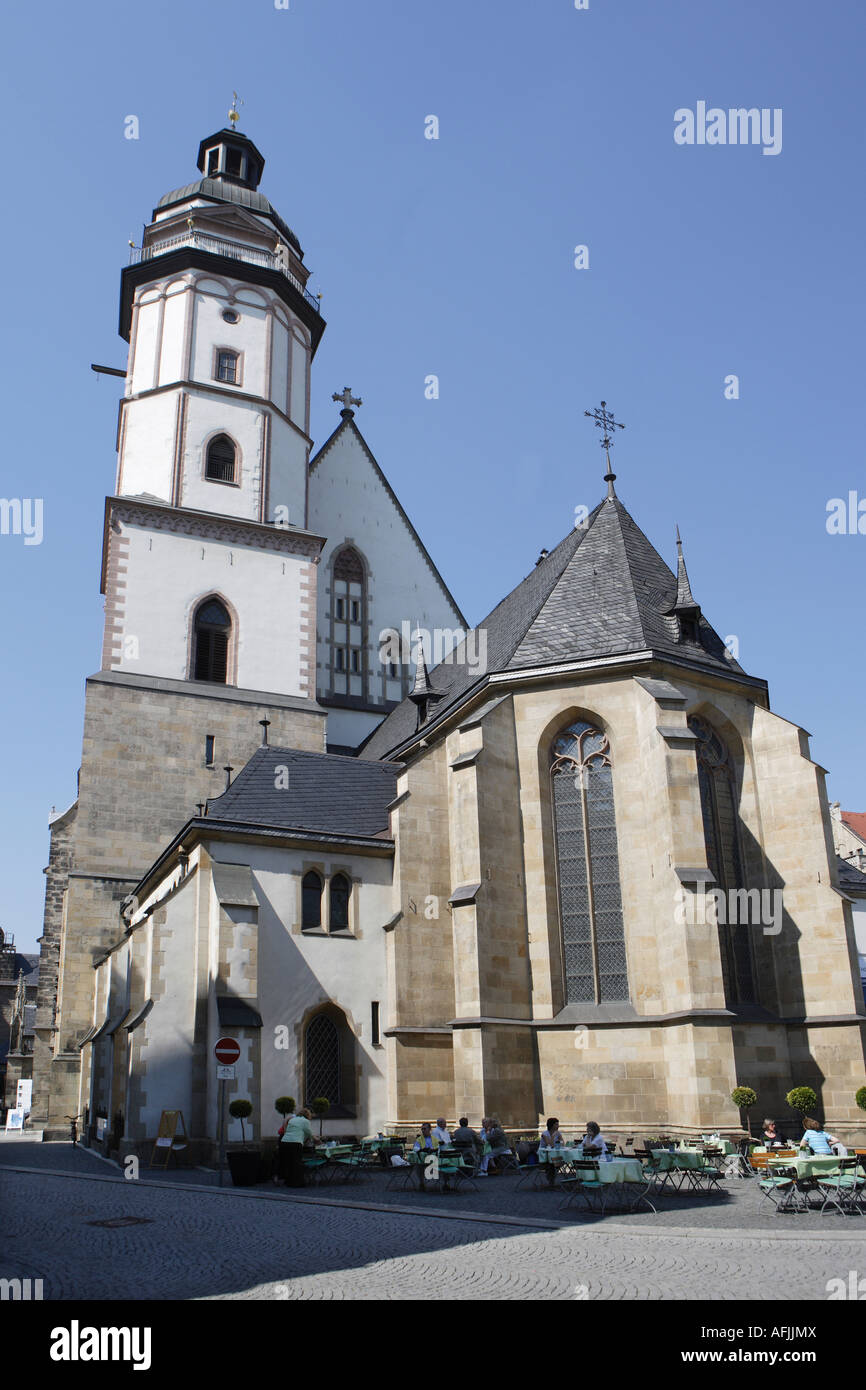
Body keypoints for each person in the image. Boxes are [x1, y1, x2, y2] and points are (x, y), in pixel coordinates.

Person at [279, 1106, 314, 1188]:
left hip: (284, 1142)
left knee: (288, 1162)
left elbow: (287, 1130)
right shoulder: (306, 1121)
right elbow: (309, 1134)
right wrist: (317, 1140)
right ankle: (297, 1183)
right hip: (295, 1143)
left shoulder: (292, 1119)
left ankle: (288, 1181)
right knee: (296, 1163)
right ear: (308, 1115)